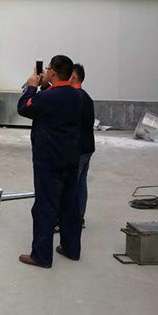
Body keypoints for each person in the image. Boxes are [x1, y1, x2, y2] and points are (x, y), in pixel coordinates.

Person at [16, 55, 84, 268]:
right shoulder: (78, 96)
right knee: (69, 206)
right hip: (71, 158)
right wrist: (45, 87)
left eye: (47, 69)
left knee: (45, 207)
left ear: (53, 72)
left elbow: (23, 108)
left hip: (48, 161)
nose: (45, 72)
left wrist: (31, 87)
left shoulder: (47, 98)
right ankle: (71, 249)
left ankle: (41, 256)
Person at [71, 63, 95, 228]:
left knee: (71, 186)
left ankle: (70, 220)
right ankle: (79, 217)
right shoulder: (86, 97)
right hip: (86, 148)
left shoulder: (74, 98)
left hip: (77, 149)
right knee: (80, 184)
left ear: (73, 77)